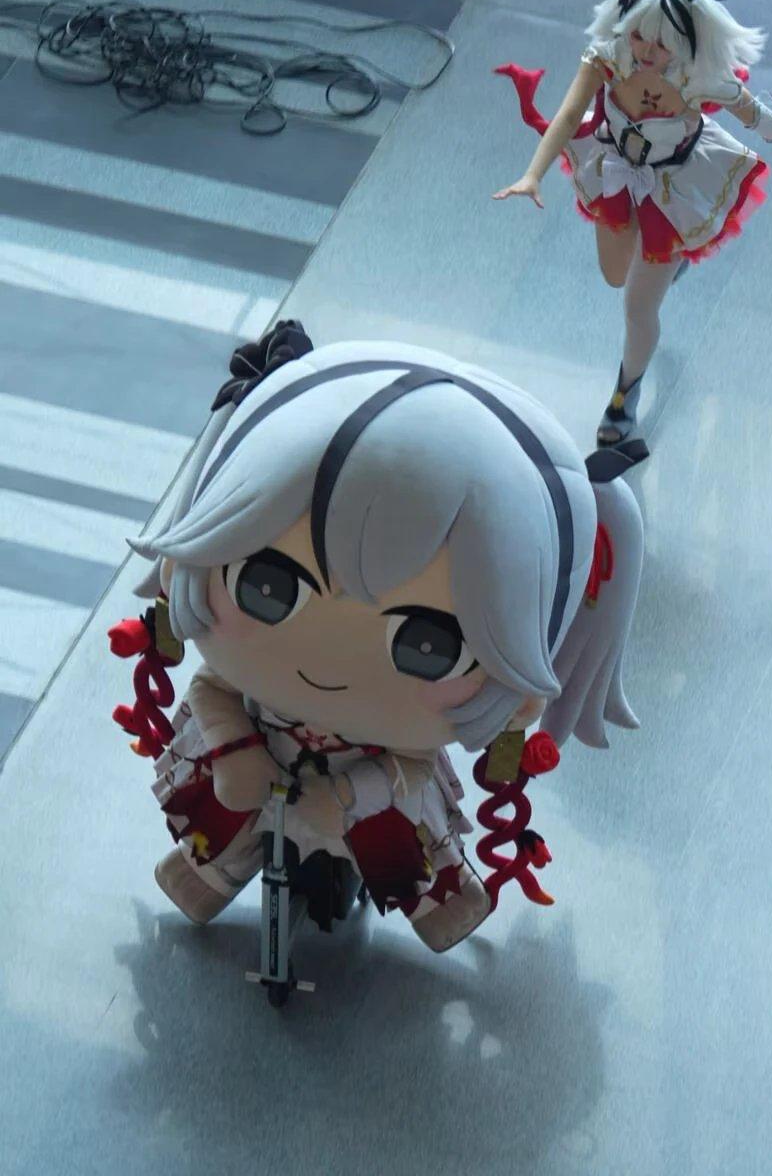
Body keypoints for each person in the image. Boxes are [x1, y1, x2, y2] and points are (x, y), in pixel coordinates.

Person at [125, 321, 644, 953]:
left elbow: (409, 766)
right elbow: (213, 691)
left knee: (398, 837)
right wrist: (234, 750)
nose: (328, 660)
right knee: (229, 814)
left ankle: (441, 901)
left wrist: (347, 795)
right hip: (264, 750)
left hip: (369, 782)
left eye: (429, 645)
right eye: (267, 586)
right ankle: (209, 872)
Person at [494, 0, 772, 447]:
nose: (647, 50)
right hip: (616, 173)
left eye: (662, 43)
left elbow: (757, 116)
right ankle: (674, 264)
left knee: (636, 307)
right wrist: (532, 174)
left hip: (674, 189)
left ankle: (624, 396)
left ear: (683, 45)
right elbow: (570, 113)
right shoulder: (607, 58)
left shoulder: (699, 79)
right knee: (614, 275)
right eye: (640, 35)